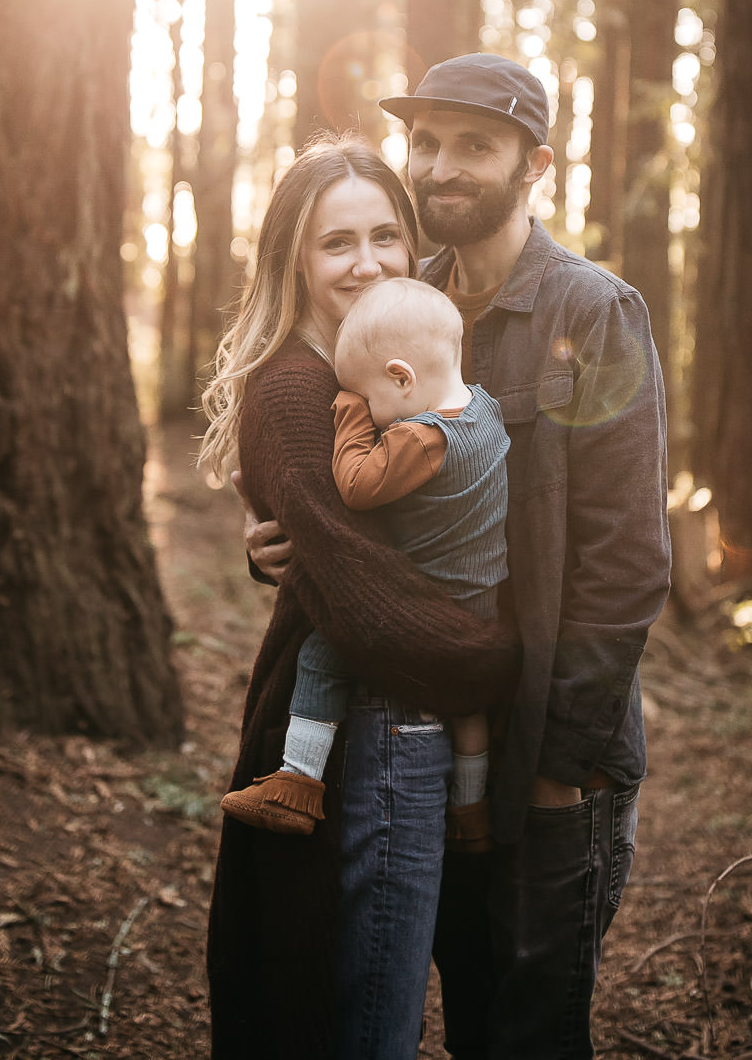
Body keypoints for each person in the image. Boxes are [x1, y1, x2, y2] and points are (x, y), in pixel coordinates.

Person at [244, 54, 671, 1060]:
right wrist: (287, 542)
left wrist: (560, 766)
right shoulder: (400, 296)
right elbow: (345, 475)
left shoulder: (592, 313)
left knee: (524, 1032)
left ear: (537, 166)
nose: (441, 166)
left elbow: (627, 564)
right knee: (442, 999)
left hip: (550, 762)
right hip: (428, 738)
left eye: (475, 145)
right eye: (426, 142)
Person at [200, 136, 519, 1060]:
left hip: (389, 720)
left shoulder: (402, 356)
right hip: (365, 732)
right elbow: (356, 590)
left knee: (369, 1002)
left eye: (387, 234)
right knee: (352, 1017)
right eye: (337, 242)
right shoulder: (303, 389)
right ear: (294, 260)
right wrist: (498, 658)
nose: (369, 260)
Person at [219, 276, 509, 849]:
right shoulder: (486, 410)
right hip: (482, 595)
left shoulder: (421, 440)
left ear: (402, 377)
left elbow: (354, 486)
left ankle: (297, 783)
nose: (370, 412)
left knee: (322, 654)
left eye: (370, 395)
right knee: (470, 707)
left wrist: (348, 410)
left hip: (434, 596)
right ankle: (472, 811)